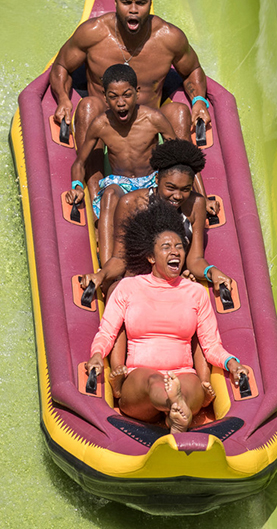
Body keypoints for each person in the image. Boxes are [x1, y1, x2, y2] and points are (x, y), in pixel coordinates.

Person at [81, 139, 236, 397]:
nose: (178, 196)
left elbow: (195, 259)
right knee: (120, 290)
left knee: (192, 300)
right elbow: (120, 258)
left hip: (174, 278)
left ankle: (201, 378)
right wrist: (101, 276)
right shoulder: (132, 203)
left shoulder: (195, 204)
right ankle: (118, 373)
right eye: (171, 188)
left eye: (185, 189)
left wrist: (211, 272)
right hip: (136, 276)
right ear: (156, 181)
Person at [85, 201, 248, 433]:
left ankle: (178, 409)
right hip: (139, 376)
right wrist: (96, 355)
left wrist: (232, 363)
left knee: (191, 386)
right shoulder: (128, 288)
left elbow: (211, 345)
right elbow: (107, 332)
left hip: (183, 373)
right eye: (166, 247)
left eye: (179, 246)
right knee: (155, 382)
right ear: (151, 257)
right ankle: (175, 407)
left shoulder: (196, 293)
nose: (175, 252)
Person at [50, 0, 212, 193]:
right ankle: (94, 192)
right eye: (126, 3)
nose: (133, 10)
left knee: (179, 112)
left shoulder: (169, 37)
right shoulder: (93, 33)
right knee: (89, 106)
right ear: (115, 2)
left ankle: (189, 193)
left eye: (141, 3)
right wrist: (63, 100)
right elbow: (61, 66)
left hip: (148, 126)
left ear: (151, 4)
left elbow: (192, 70)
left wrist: (199, 101)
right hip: (102, 124)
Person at [67, 64, 176, 258]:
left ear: (137, 92)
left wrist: (200, 195)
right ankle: (108, 262)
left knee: (159, 201)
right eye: (113, 96)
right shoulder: (101, 124)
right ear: (105, 97)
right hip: (120, 183)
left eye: (126, 95)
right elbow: (80, 162)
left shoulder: (153, 119)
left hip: (151, 179)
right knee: (109, 195)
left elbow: (181, 157)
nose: (121, 103)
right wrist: (76, 186)